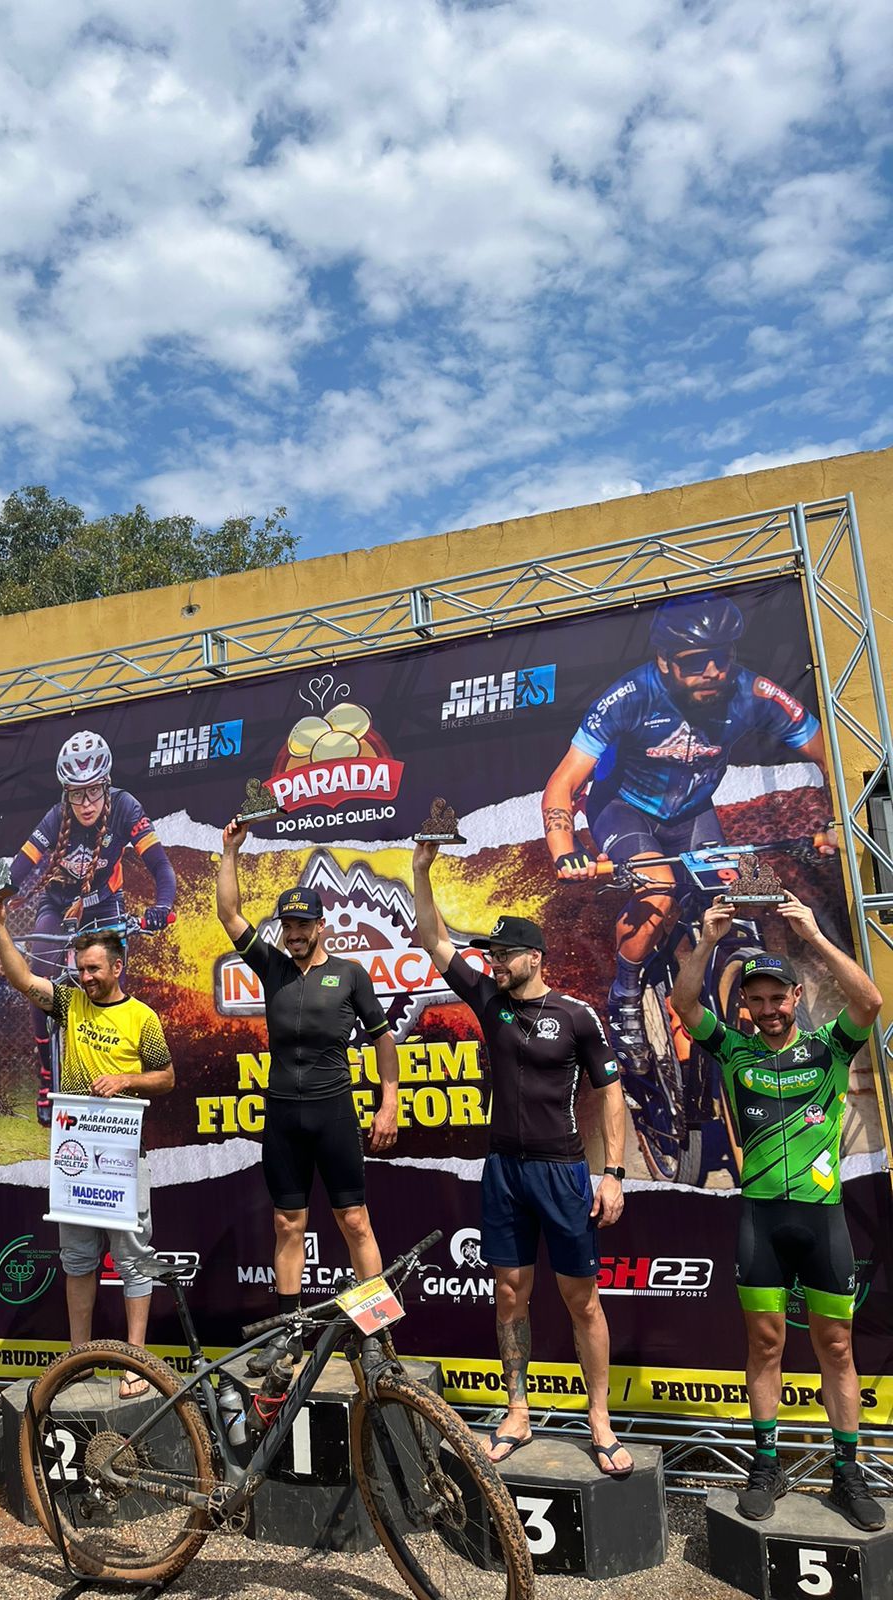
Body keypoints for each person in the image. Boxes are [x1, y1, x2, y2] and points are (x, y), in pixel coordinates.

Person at [413, 840, 632, 1476]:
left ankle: (600, 1419)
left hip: (562, 1171)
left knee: (581, 1299)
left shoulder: (577, 1016)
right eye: (492, 955)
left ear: (534, 957)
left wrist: (613, 1175)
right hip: (504, 1170)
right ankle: (517, 1411)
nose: (495, 963)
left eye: (504, 954)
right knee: (510, 1292)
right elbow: (434, 940)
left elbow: (611, 1093)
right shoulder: (491, 1001)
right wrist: (421, 870)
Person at [541, 594, 835, 1057]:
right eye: (696, 661)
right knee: (659, 891)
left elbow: (831, 754)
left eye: (722, 657)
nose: (712, 671)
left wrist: (839, 821)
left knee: (733, 897)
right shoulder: (630, 696)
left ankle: (724, 984)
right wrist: (564, 851)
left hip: (693, 812)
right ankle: (625, 993)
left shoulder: (752, 692)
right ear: (664, 661)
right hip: (623, 808)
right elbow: (563, 783)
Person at [671, 893, 885, 1529]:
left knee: (836, 1347)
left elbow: (870, 1002)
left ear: (796, 997)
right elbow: (684, 1003)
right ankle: (766, 1464)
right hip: (761, 1221)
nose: (768, 1009)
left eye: (777, 998)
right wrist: (706, 941)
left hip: (823, 1221)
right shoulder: (734, 1052)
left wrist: (813, 936)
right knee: (765, 1344)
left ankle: (847, 1470)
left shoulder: (829, 1048)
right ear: (746, 1005)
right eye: (757, 1000)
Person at [216, 818, 399, 1374]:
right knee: (287, 1225)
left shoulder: (349, 975)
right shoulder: (272, 966)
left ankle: (376, 1334)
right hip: (283, 1118)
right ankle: (288, 1336)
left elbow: (383, 1038)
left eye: (303, 924)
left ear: (322, 926)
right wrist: (230, 851)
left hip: (334, 1112)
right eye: (287, 925)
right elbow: (229, 913)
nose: (294, 933)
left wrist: (389, 1102)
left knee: (355, 1221)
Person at [0, 898, 174, 1367]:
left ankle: (137, 1361)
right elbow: (23, 980)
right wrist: (1, 929)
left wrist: (125, 1080)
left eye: (93, 969)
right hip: (75, 1156)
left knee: (133, 1260)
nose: (84, 977)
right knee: (78, 1260)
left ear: (117, 967)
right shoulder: (70, 1004)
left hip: (124, 1154)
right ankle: (78, 1357)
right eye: (80, 969)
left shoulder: (142, 1017)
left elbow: (167, 1077)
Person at [1, 729, 177, 1125]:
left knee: (110, 990)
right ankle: (47, 1073)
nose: (86, 803)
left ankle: (117, 1082)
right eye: (76, 793)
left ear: (106, 784)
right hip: (58, 903)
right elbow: (20, 868)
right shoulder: (56, 816)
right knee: (38, 981)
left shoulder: (126, 807)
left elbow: (161, 866)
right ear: (66, 792)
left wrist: (161, 906)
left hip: (107, 905)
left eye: (94, 791)